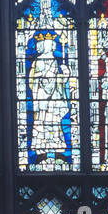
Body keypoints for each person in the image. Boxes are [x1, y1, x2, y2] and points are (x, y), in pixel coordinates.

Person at [28, 34, 71, 163]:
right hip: (42, 96)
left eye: (50, 43)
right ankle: (41, 147)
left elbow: (60, 81)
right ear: (40, 46)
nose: (48, 46)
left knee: (54, 122)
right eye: (45, 43)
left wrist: (66, 74)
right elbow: (32, 80)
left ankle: (55, 145)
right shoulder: (37, 61)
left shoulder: (54, 61)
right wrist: (43, 79)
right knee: (42, 121)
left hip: (54, 97)